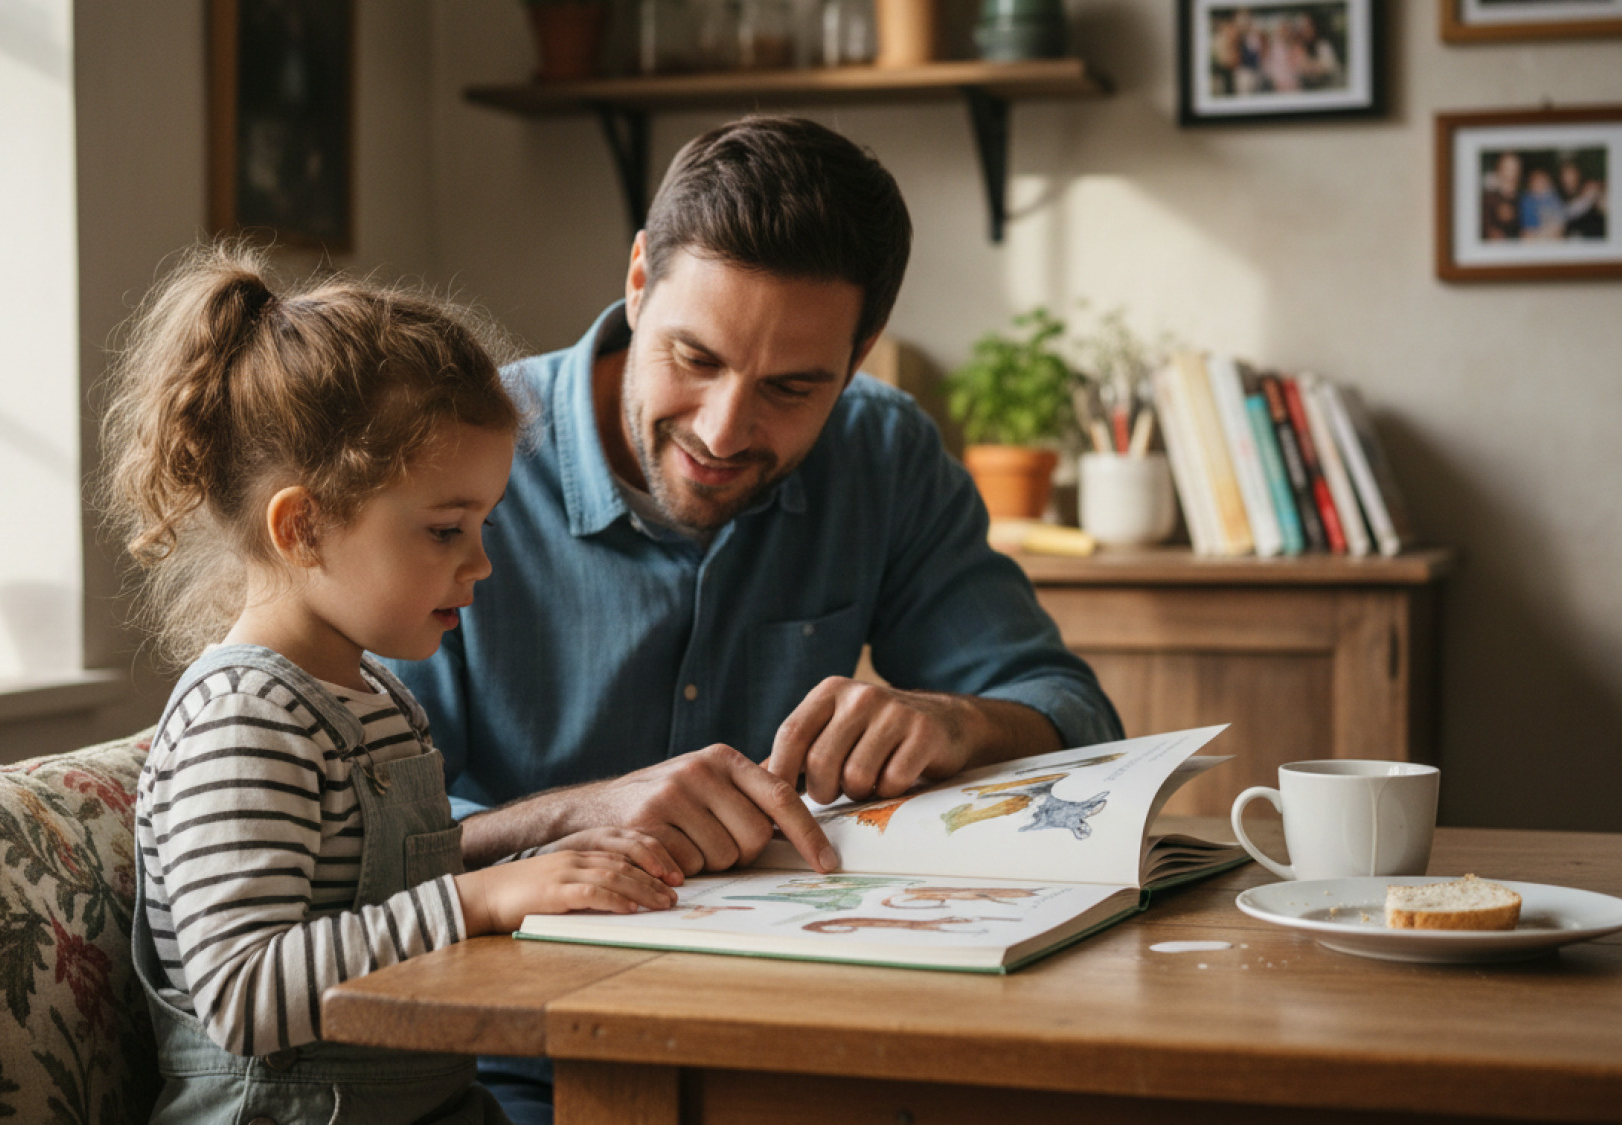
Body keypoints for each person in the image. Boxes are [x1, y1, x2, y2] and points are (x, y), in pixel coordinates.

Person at [389, 115, 1122, 1122]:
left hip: (812, 1047)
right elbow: (361, 851)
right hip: (513, 1064)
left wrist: (959, 722)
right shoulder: (456, 467)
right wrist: (579, 815)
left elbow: (1074, 716)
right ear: (638, 279)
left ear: (859, 356)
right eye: (694, 360)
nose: (723, 431)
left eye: (790, 387)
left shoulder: (883, 455)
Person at [101, 243, 681, 1125]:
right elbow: (245, 990)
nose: (482, 562)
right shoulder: (244, 722)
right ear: (303, 527)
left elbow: (375, 895)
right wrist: (478, 899)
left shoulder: (368, 696)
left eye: (485, 522)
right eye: (446, 529)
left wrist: (543, 870)